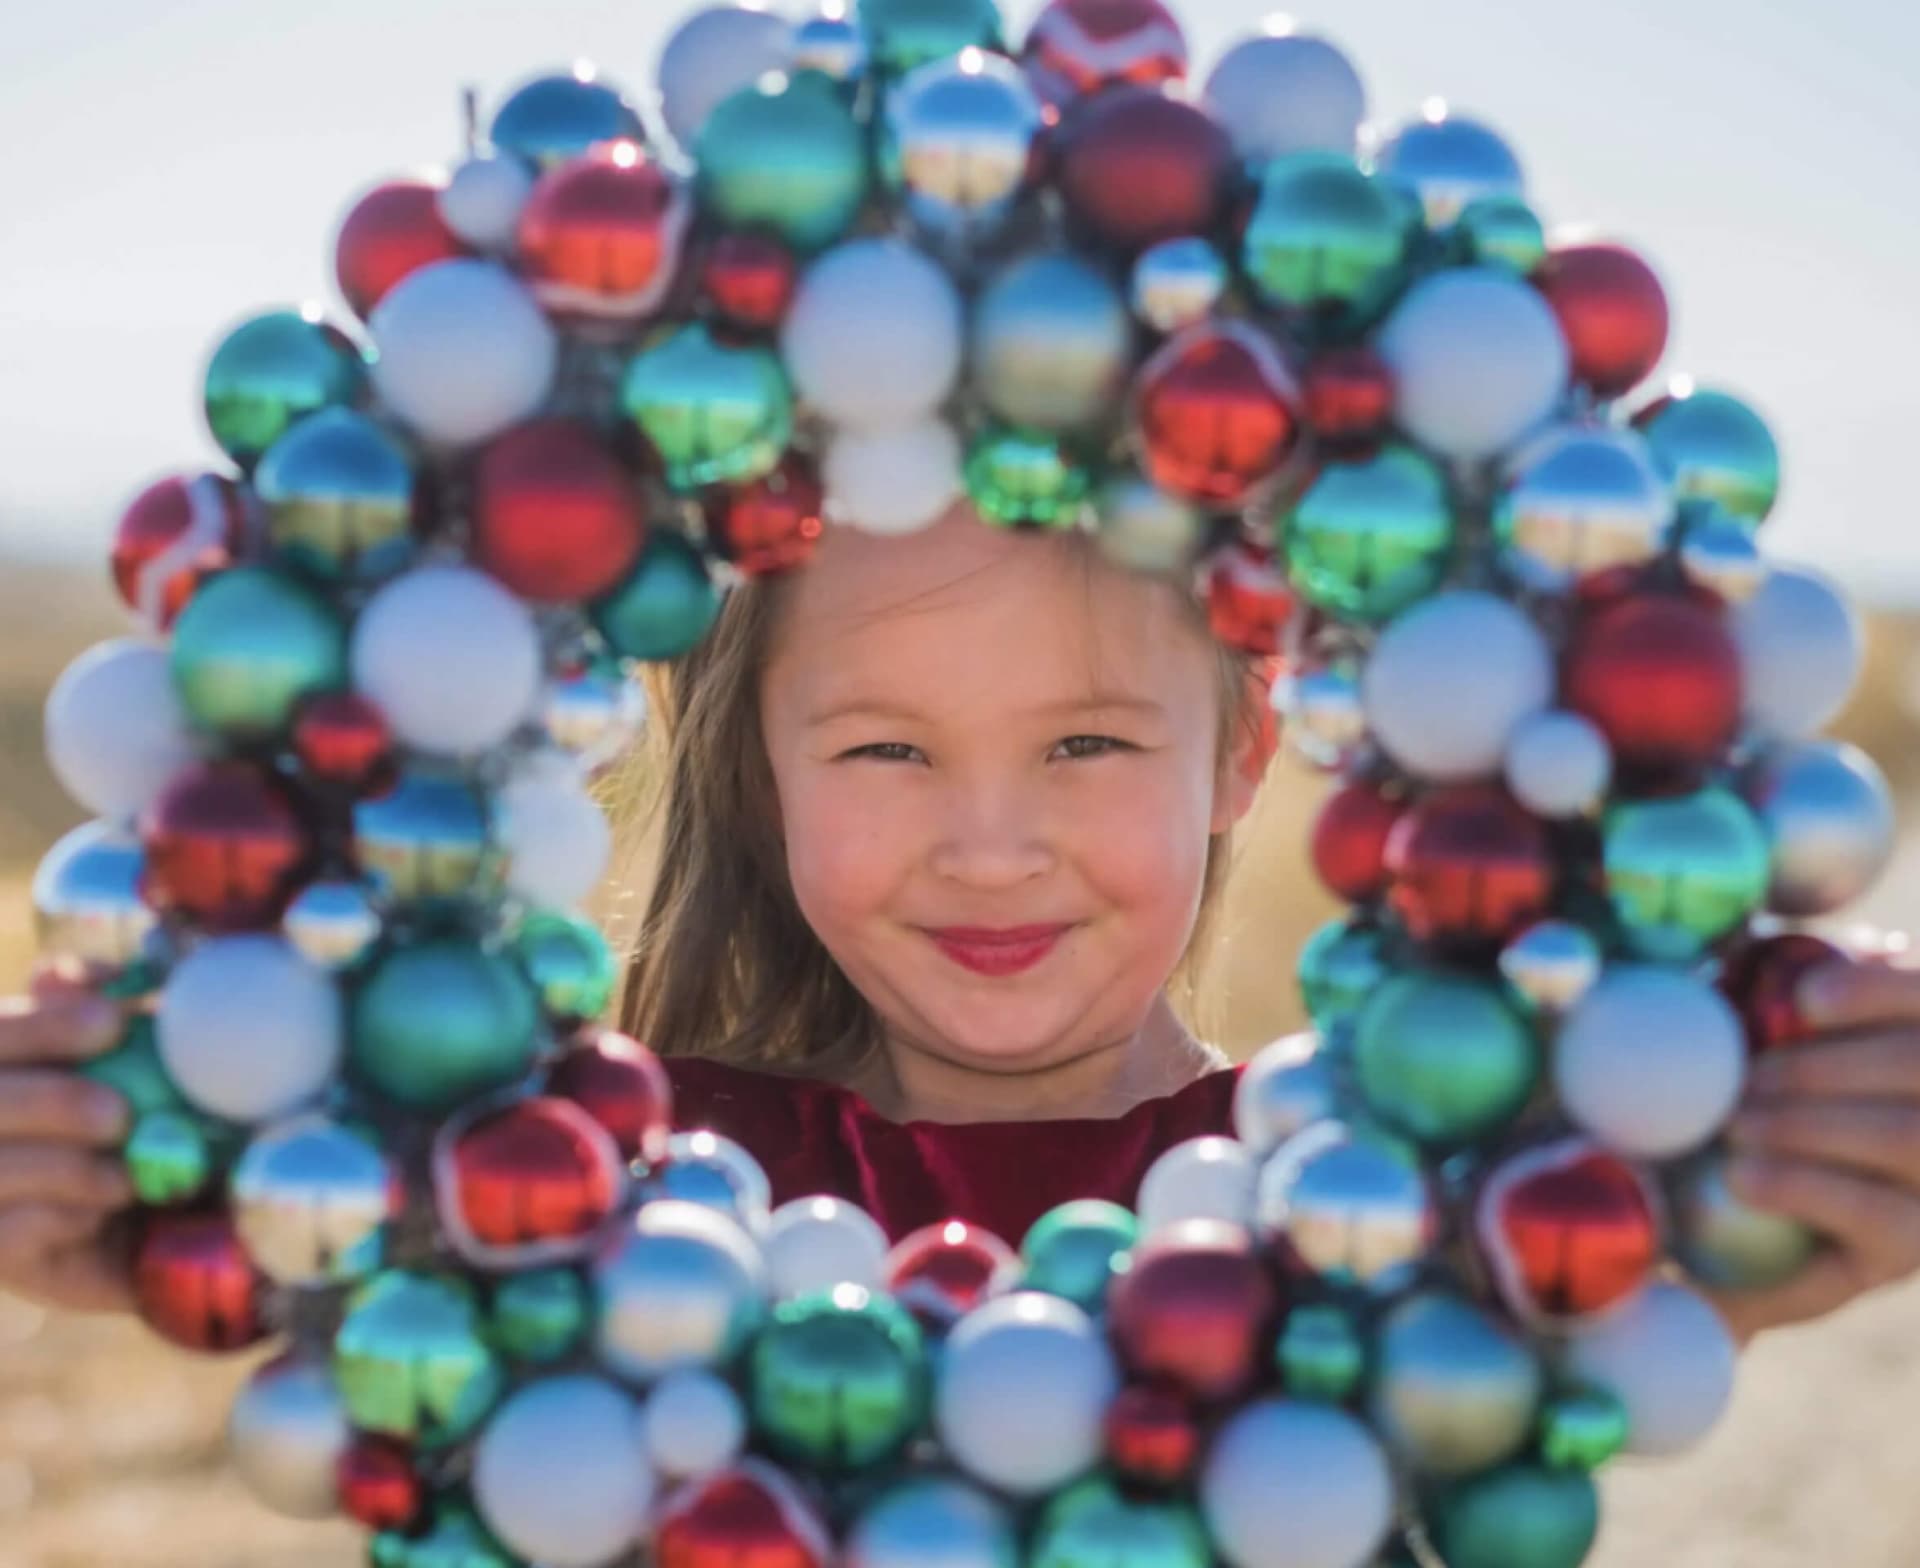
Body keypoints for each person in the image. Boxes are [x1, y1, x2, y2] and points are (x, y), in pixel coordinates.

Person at [3, 505, 1920, 1349]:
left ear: (1248, 746)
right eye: (887, 748)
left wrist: (1728, 1248)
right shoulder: (592, 1171)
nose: (988, 848)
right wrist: (173, 1231)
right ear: (748, 756)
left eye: (1088, 738)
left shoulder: (1389, 1182)